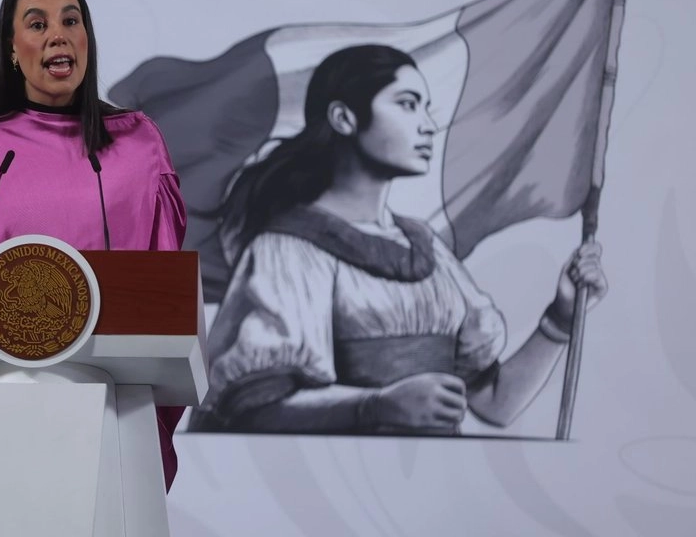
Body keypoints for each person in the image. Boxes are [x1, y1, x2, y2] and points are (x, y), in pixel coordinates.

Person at [189, 44, 609, 434]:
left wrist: (561, 318)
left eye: (426, 108)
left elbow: (495, 404)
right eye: (407, 104)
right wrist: (375, 406)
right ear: (344, 118)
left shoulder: (426, 248)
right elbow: (253, 410)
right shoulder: (287, 249)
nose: (428, 125)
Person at [0, 0, 187, 488]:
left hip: (114, 406)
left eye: (71, 21)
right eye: (38, 24)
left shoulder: (137, 143)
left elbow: (166, 291)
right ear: (12, 49)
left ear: (87, 39)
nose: (58, 35)